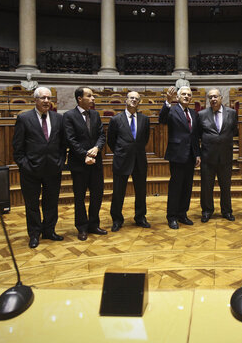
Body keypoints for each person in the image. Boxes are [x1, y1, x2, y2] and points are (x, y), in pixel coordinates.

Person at [12, 86, 66, 248]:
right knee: (32, 204)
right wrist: (24, 165)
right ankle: (34, 234)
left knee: (51, 202)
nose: (46, 101)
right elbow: (17, 147)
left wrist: (60, 161)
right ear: (35, 100)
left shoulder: (58, 118)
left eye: (49, 98)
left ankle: (49, 231)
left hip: (53, 169)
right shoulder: (24, 118)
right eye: (43, 98)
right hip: (31, 170)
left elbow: (62, 144)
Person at [64, 87, 107, 241]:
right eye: (89, 96)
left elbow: (102, 135)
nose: (93, 98)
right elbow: (71, 140)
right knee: (80, 197)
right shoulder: (69, 116)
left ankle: (93, 224)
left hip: (96, 162)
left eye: (93, 96)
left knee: (97, 195)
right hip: (79, 164)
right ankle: (82, 227)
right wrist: (85, 155)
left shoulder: (95, 115)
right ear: (79, 98)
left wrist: (96, 148)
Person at [107, 91, 151, 231]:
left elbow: (145, 139)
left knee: (141, 191)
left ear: (140, 102)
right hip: (122, 160)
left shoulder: (145, 119)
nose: (134, 100)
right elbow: (111, 141)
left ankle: (140, 217)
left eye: (136, 99)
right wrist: (121, 152)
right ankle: (117, 219)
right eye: (131, 98)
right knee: (118, 192)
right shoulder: (116, 119)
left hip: (139, 160)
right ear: (126, 100)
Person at [159, 86, 201, 229]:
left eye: (189, 95)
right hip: (177, 154)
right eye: (183, 94)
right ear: (178, 97)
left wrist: (197, 154)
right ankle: (172, 216)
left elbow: (194, 136)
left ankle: (183, 213)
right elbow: (162, 120)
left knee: (187, 187)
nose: (186, 96)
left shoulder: (193, 113)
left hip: (190, 155)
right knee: (176, 187)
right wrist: (167, 102)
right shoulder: (172, 110)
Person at [199, 88, 238, 222]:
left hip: (225, 156)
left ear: (221, 98)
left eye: (215, 96)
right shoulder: (202, 114)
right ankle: (207, 211)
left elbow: (234, 131)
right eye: (210, 97)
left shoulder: (232, 113)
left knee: (225, 186)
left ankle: (227, 211)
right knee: (206, 187)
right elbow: (198, 135)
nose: (213, 99)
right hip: (207, 156)